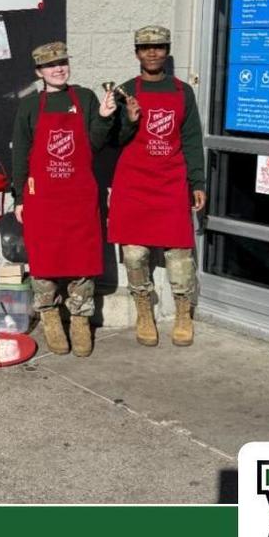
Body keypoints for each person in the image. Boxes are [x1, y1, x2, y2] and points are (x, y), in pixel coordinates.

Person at [11, 41, 116, 357]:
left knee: (83, 259)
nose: (58, 69)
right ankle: (50, 317)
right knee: (43, 259)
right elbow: (21, 155)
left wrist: (104, 117)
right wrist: (19, 197)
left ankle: (81, 319)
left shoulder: (84, 98)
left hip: (79, 196)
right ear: (39, 72)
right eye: (50, 65)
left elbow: (94, 144)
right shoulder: (30, 106)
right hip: (42, 198)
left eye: (62, 62)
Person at [107, 25, 206, 347]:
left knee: (179, 254)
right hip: (133, 183)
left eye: (159, 46)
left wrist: (197, 181)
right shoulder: (124, 91)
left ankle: (183, 314)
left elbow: (191, 139)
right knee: (135, 254)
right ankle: (144, 312)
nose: (152, 52)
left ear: (167, 51)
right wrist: (129, 120)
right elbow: (113, 140)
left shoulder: (182, 91)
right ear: (136, 52)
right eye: (145, 47)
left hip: (171, 181)